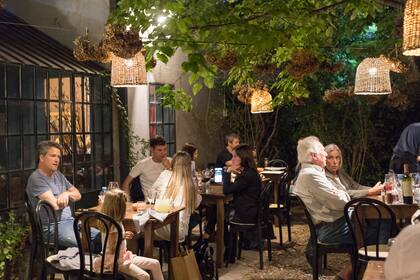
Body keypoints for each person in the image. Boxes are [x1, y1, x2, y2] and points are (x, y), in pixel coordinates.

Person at [293, 136, 352, 280]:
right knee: (380, 230)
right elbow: (342, 201)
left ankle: (353, 271)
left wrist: (341, 193)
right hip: (330, 229)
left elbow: (341, 197)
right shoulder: (311, 176)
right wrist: (343, 194)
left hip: (334, 223)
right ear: (313, 155)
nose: (325, 154)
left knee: (378, 226)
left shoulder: (314, 172)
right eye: (322, 151)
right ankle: (355, 272)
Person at [97, 189, 164, 280]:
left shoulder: (113, 221)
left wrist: (122, 235)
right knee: (145, 276)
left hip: (123, 256)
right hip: (114, 261)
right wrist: (122, 237)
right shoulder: (113, 225)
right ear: (119, 208)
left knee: (155, 263)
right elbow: (112, 249)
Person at [26, 141, 83, 248]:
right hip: (50, 228)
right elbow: (55, 205)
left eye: (58, 157)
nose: (57, 160)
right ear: (42, 158)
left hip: (70, 223)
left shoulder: (58, 175)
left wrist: (66, 194)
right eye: (52, 156)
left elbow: (78, 194)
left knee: (102, 237)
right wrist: (67, 195)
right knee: (87, 243)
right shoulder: (36, 178)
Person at [152, 151, 202, 242]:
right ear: (189, 166)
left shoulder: (165, 174)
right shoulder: (191, 183)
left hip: (160, 226)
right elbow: (195, 205)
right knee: (196, 217)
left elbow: (151, 194)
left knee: (138, 230)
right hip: (179, 231)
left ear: (173, 163)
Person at [122, 136, 171, 201]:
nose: (163, 153)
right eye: (159, 150)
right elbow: (126, 183)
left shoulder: (172, 162)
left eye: (165, 149)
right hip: (150, 203)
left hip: (168, 201)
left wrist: (169, 168)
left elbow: (179, 183)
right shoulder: (143, 164)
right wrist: (127, 203)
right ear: (152, 150)